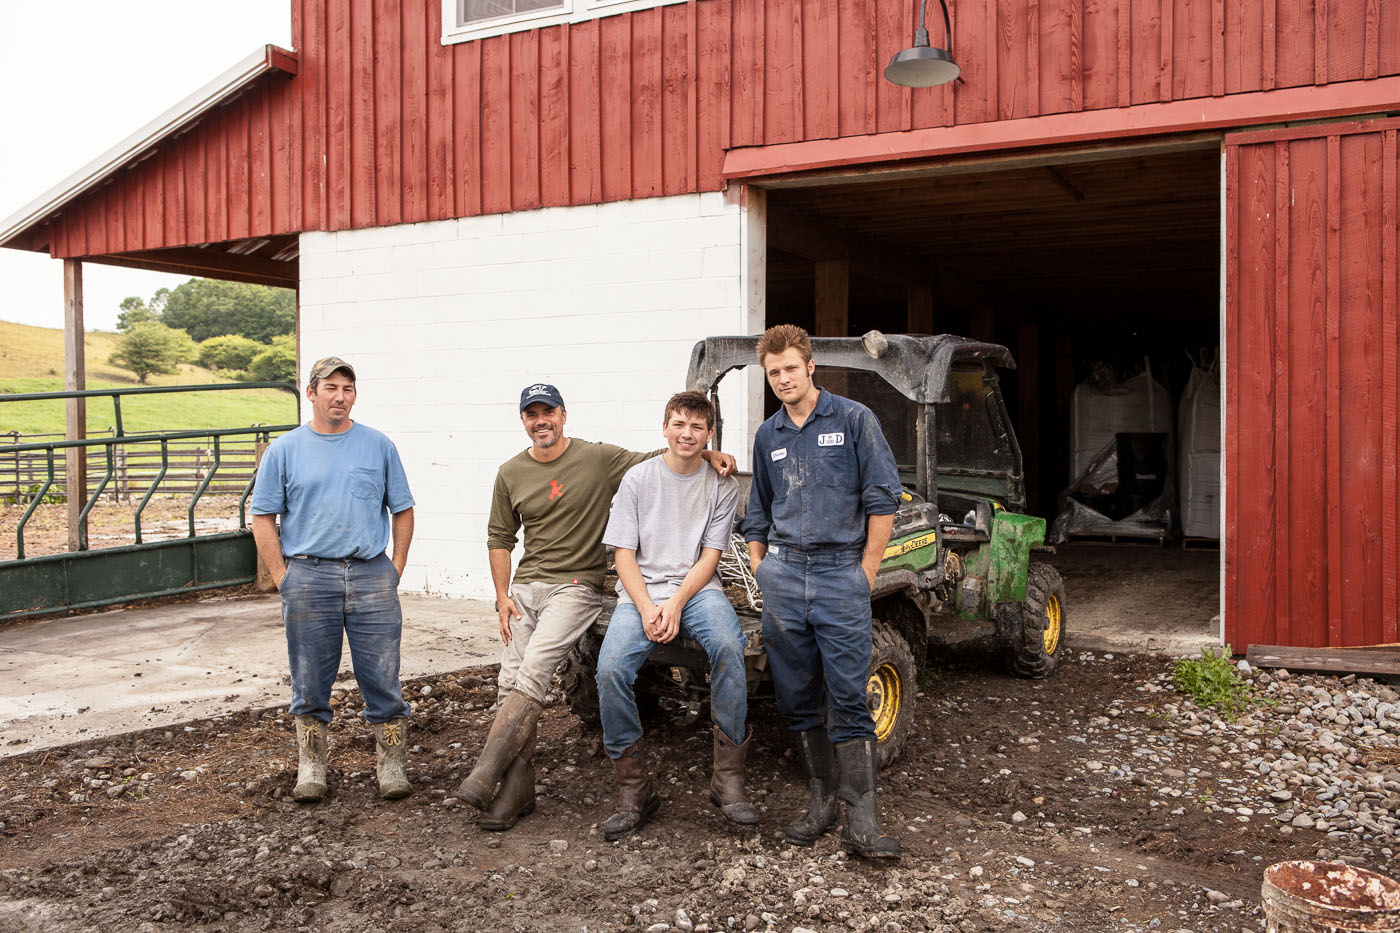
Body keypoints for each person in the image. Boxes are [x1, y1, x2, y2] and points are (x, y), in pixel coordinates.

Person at [460, 383, 735, 831]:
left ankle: (484, 773)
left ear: (564, 416)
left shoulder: (596, 458)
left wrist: (708, 454)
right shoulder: (510, 472)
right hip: (525, 586)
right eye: (532, 414)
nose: (541, 420)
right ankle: (516, 789)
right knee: (508, 681)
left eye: (549, 412)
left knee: (533, 672)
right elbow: (499, 536)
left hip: (575, 585)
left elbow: (665, 453)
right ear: (524, 421)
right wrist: (502, 594)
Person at [741, 324, 904, 859]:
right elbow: (759, 511)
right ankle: (821, 803)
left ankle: (862, 823)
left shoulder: (855, 420)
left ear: (810, 367)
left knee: (850, 697)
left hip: (840, 576)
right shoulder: (769, 436)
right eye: (773, 373)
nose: (783, 379)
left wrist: (866, 570)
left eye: (791, 368)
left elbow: (883, 498)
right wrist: (762, 567)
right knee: (795, 694)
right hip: (784, 579)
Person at [250, 356, 416, 803]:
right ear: (311, 393)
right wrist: (284, 576)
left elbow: (402, 508)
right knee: (309, 676)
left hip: (370, 575)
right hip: (308, 575)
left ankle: (391, 762)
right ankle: (312, 765)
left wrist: (395, 566)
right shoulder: (284, 450)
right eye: (331, 388)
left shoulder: (377, 445)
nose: (340, 396)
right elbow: (262, 516)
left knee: (382, 674)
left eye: (348, 388)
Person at [594, 391, 757, 840]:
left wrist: (677, 603)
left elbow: (710, 557)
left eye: (697, 427)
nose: (687, 433)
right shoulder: (637, 480)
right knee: (609, 669)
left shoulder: (721, 484)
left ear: (709, 435)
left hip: (697, 589)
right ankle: (634, 789)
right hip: (642, 593)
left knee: (729, 646)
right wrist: (648, 608)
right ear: (664, 427)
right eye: (679, 424)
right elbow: (623, 555)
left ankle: (727, 780)